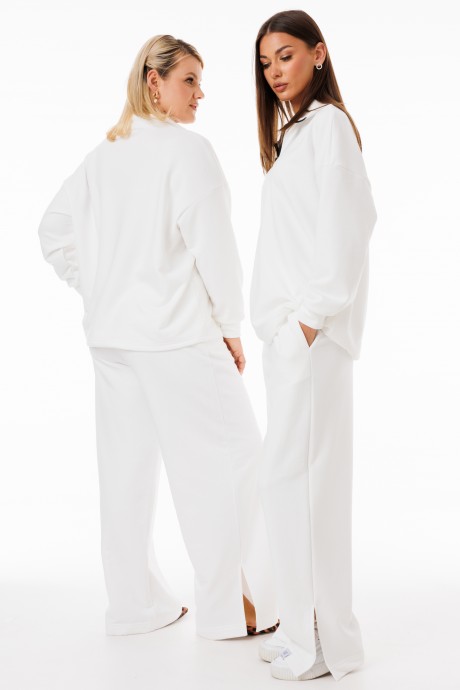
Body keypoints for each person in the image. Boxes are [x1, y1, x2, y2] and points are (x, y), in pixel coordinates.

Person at [38, 34, 278, 640]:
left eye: (200, 81)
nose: (200, 93)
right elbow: (215, 250)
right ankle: (231, 611)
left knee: (125, 473)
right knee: (230, 462)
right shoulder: (187, 152)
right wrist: (230, 328)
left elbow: (53, 230)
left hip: (114, 340)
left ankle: (134, 607)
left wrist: (99, 286)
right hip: (176, 335)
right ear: (154, 81)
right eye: (189, 80)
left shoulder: (104, 154)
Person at [250, 10, 377, 682]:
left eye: (287, 55)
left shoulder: (328, 127)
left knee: (308, 488)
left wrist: (309, 320)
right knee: (289, 484)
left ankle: (325, 643)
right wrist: (282, 329)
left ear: (319, 54)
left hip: (312, 338)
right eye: (266, 61)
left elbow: (350, 223)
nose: (275, 71)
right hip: (290, 339)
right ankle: (305, 630)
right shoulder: (295, 134)